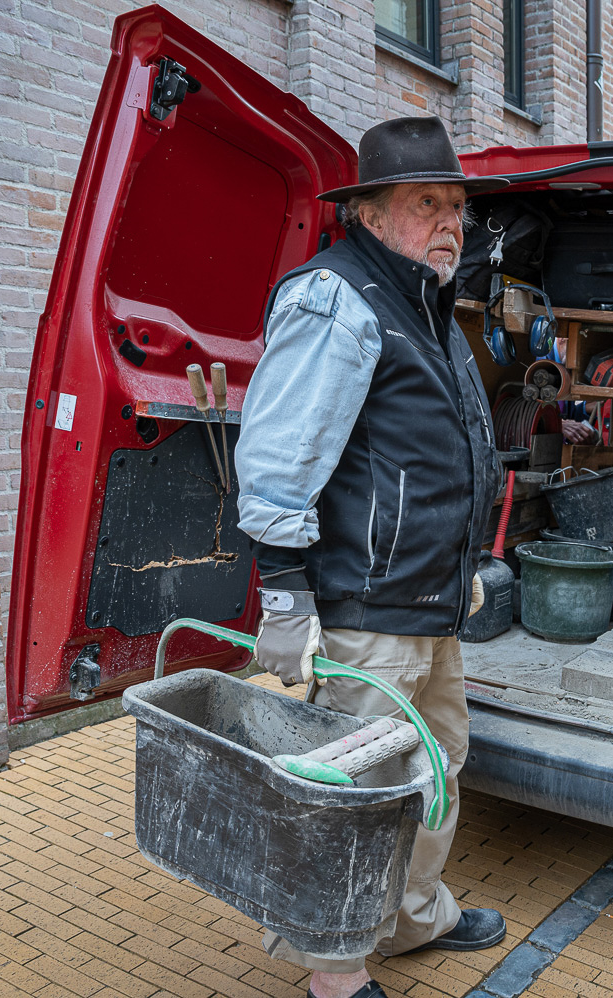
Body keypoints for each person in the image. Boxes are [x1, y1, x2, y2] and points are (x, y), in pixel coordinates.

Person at [233, 116, 509, 998]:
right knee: (354, 789)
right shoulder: (337, 297)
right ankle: (336, 970)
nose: (450, 223)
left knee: (437, 767)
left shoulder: (424, 301)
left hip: (428, 601)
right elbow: (279, 459)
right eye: (427, 203)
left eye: (457, 206)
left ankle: (411, 918)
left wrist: (461, 562)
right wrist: (284, 594)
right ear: (370, 212)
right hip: (365, 608)